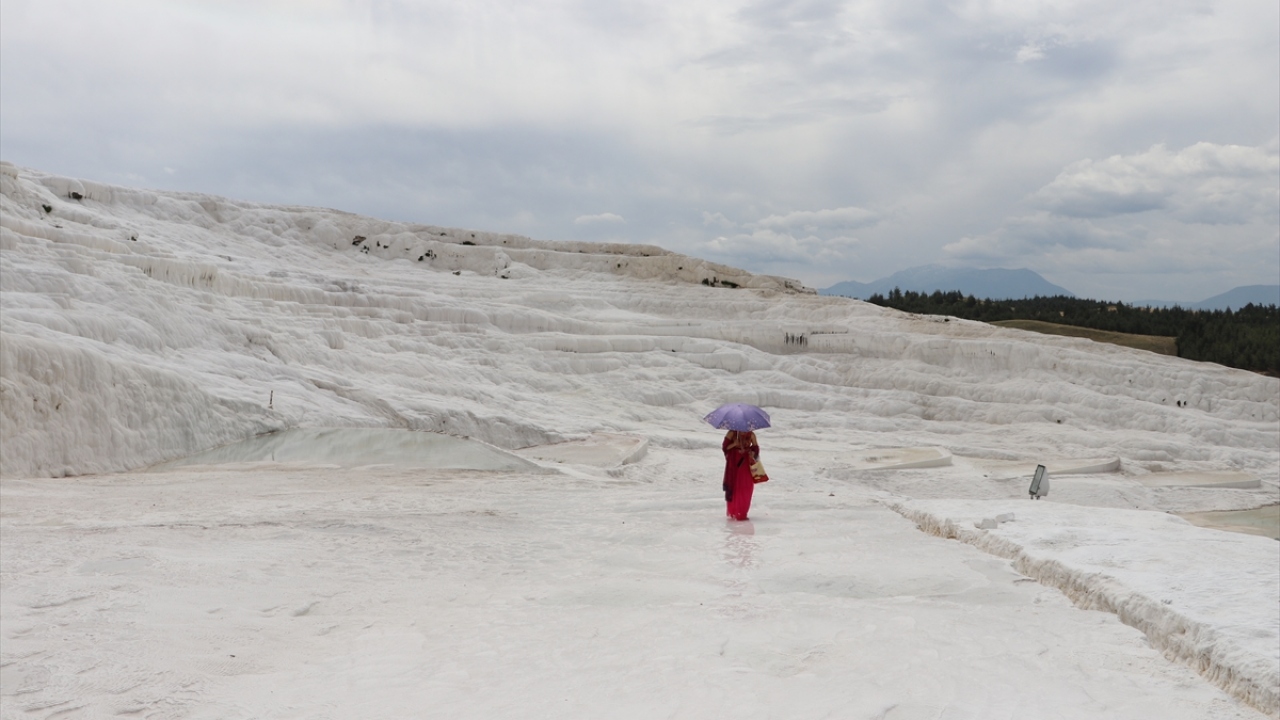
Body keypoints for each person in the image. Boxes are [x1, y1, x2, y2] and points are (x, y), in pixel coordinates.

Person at [722, 430, 761, 521]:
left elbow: (756, 448)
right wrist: (734, 444)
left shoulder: (751, 434)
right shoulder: (731, 433)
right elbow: (725, 448)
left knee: (746, 486)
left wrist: (753, 452)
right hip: (734, 462)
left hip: (746, 462)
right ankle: (734, 511)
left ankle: (742, 512)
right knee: (734, 485)